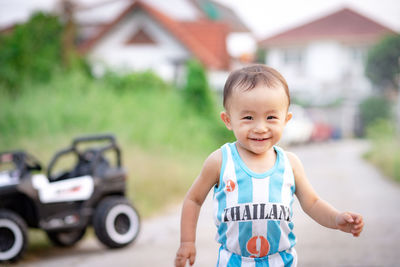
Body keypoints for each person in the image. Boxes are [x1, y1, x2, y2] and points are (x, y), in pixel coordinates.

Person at [174, 64, 364, 267]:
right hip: (234, 261)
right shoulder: (221, 161)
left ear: (286, 120)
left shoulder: (290, 164)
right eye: (248, 117)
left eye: (271, 117)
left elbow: (313, 203)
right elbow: (193, 200)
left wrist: (336, 219)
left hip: (281, 261)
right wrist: (187, 242)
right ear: (228, 120)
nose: (260, 127)